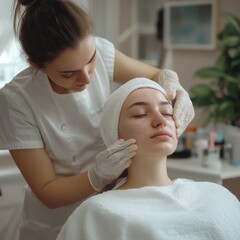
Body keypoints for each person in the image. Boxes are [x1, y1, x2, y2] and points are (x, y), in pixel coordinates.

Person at [0, 0, 194, 239]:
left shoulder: (102, 51)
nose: (86, 77)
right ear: (36, 65)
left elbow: (156, 75)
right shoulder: (17, 100)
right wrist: (97, 176)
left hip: (113, 206)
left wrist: (172, 84)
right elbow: (47, 191)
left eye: (90, 60)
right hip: (55, 224)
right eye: (68, 73)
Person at [57, 78, 240, 240]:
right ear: (115, 135)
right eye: (140, 114)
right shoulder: (97, 212)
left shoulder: (216, 195)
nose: (160, 120)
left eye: (167, 112)